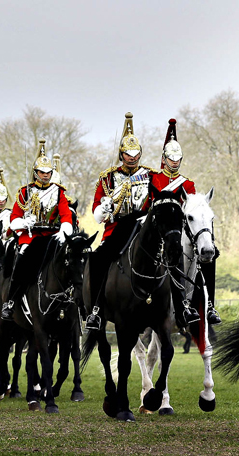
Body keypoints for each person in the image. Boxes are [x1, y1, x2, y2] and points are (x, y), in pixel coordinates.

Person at [84, 113, 154, 330]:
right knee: (96, 260)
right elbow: (97, 216)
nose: (132, 158)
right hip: (117, 228)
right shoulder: (107, 178)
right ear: (121, 154)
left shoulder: (151, 176)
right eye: (128, 154)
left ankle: (183, 307)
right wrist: (104, 208)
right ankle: (95, 310)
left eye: (136, 154)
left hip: (144, 226)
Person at [148, 119, 220, 327]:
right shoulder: (155, 180)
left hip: (182, 229)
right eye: (171, 158)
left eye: (178, 159)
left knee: (210, 252)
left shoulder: (188, 184)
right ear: (164, 159)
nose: (175, 162)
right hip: (161, 229)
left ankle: (209, 306)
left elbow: (193, 209)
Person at [1, 140, 74, 321]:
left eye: (49, 173)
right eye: (42, 172)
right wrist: (25, 222)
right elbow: (14, 220)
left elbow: (66, 215)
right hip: (31, 237)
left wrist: (64, 231)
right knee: (23, 263)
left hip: (52, 236)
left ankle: (76, 300)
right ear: (35, 173)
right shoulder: (25, 192)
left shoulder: (59, 192)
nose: (46, 176)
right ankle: (10, 301)